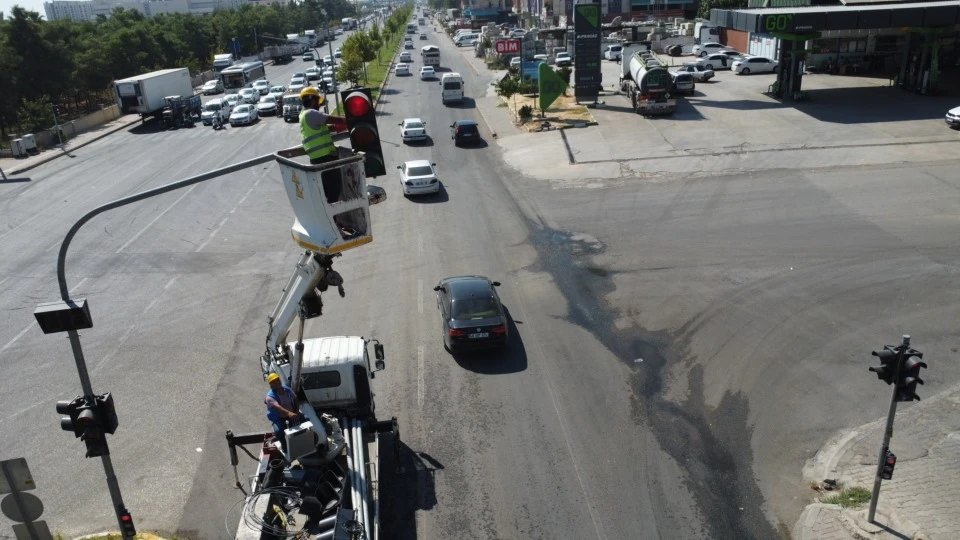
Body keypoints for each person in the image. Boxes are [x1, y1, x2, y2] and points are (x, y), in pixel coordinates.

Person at [299, 86, 347, 165]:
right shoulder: (311, 113)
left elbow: (322, 129)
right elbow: (337, 120)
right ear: (313, 101)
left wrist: (336, 128)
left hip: (317, 158)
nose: (319, 106)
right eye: (318, 102)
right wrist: (351, 119)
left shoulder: (303, 115)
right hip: (325, 157)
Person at [265, 373, 303, 453]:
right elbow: (278, 407)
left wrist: (296, 411)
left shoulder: (287, 389)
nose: (277, 382)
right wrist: (289, 413)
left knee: (306, 420)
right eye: (274, 382)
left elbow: (295, 399)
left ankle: (303, 441)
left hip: (292, 414)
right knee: (278, 431)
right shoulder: (270, 397)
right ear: (270, 385)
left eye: (278, 380)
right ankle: (285, 447)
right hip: (280, 418)